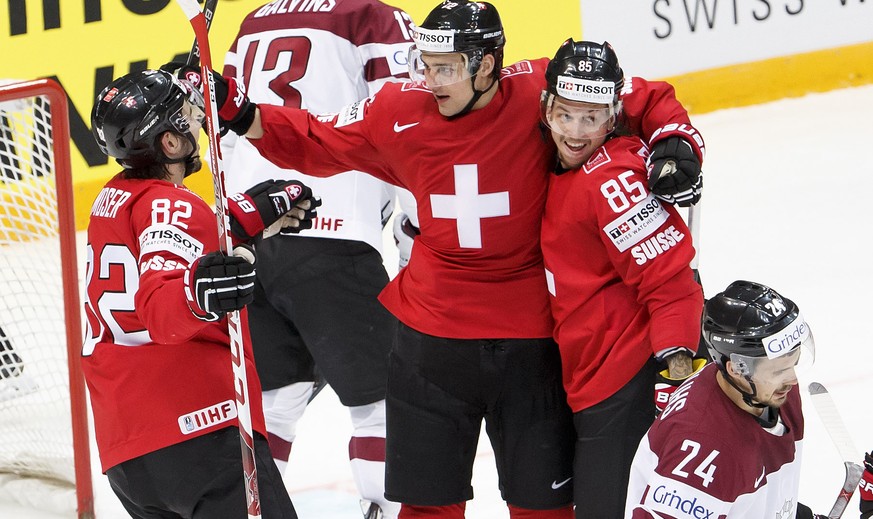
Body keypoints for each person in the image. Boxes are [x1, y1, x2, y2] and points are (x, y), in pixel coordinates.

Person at [191, 1, 705, 516]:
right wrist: (242, 112)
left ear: (486, 65)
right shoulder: (399, 111)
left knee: (543, 508)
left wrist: (677, 138)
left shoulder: (541, 93)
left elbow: (642, 96)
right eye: (425, 62)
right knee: (426, 508)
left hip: (530, 347)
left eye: (446, 67)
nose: (431, 79)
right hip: (429, 346)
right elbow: (319, 140)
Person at [83, 69, 316, 518]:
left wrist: (246, 217)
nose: (199, 121)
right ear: (170, 144)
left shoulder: (112, 200)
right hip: (201, 436)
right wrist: (197, 294)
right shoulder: (173, 204)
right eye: (189, 116)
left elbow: (166, 237)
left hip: (130, 457)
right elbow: (162, 308)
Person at [215, 2, 414, 516]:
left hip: (249, 240)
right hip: (335, 232)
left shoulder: (254, 21)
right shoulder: (373, 16)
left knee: (275, 404)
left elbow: (226, 134)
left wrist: (233, 227)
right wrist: (414, 245)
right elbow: (409, 127)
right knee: (382, 406)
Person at [538, 38, 705, 518]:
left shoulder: (613, 181)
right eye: (565, 114)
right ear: (546, 108)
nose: (574, 131)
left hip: (628, 379)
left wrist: (677, 372)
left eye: (591, 118)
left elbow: (673, 284)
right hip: (592, 374)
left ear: (613, 117)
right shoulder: (566, 164)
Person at [624, 280, 825, 518]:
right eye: (779, 370)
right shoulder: (702, 449)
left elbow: (748, 494)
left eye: (793, 362)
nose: (792, 379)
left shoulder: (771, 392)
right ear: (736, 369)